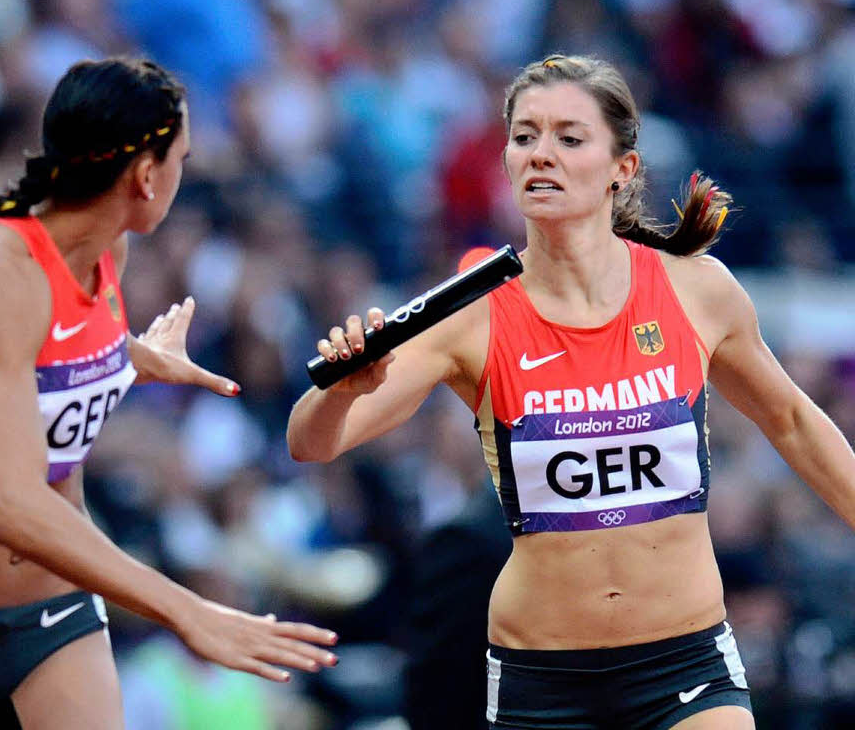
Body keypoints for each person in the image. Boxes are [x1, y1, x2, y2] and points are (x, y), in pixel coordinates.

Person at [287, 54, 855, 730]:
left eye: (569, 137)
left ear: (624, 168)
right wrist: (345, 388)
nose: (541, 155)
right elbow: (311, 442)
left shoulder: (696, 289)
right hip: (542, 680)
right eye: (524, 137)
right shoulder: (473, 316)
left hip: (685, 661)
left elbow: (792, 419)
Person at [0, 57, 337, 730]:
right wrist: (189, 611)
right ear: (145, 174)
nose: (185, 176)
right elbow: (9, 506)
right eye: (181, 158)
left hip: (49, 614)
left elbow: (34, 372)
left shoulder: (107, 252)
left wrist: (129, 360)